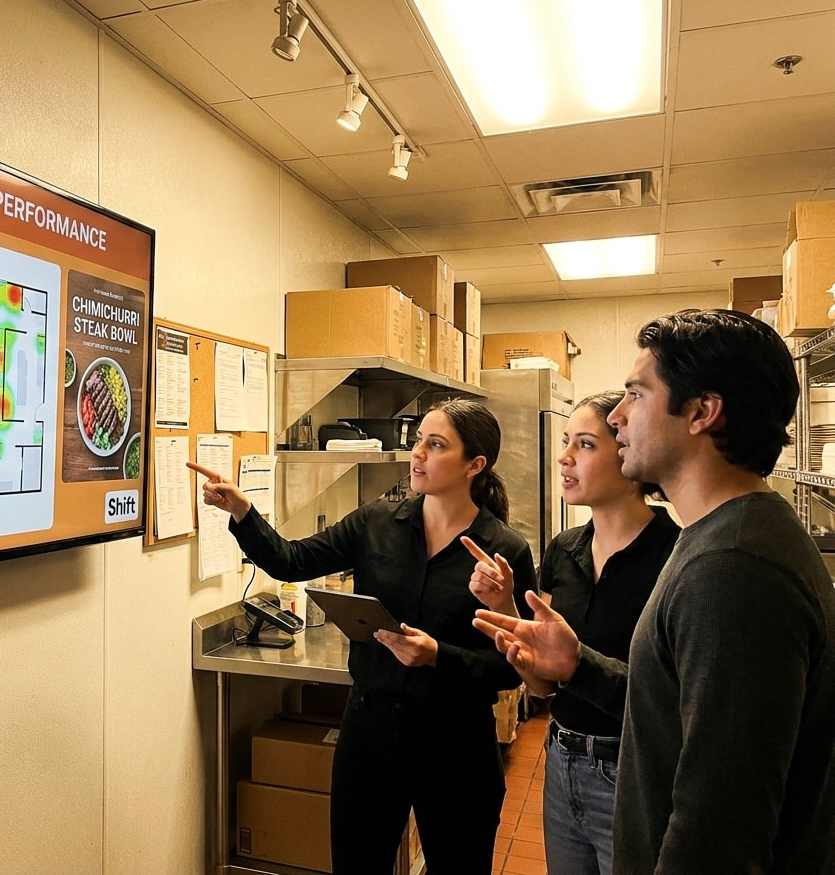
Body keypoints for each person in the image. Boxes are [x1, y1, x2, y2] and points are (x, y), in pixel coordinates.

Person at [472, 309, 835, 874]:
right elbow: (672, 710)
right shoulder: (723, 536)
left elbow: (718, 827)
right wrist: (578, 665)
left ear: (702, 411)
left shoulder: (732, 568)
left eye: (637, 394)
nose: (619, 416)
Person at [188, 399, 535, 875]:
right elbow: (292, 560)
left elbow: (512, 669)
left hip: (455, 741)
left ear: (474, 465)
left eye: (436, 445)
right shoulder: (375, 523)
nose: (418, 454)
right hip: (370, 732)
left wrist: (438, 655)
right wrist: (243, 511)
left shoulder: (503, 551)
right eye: (419, 440)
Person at [468, 391, 679, 875]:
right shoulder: (564, 549)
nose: (564, 457)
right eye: (566, 441)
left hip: (634, 772)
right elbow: (544, 686)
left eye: (585, 444)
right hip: (562, 762)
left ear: (629, 452)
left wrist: (575, 664)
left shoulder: (675, 556)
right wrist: (505, 609)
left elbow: (676, 699)